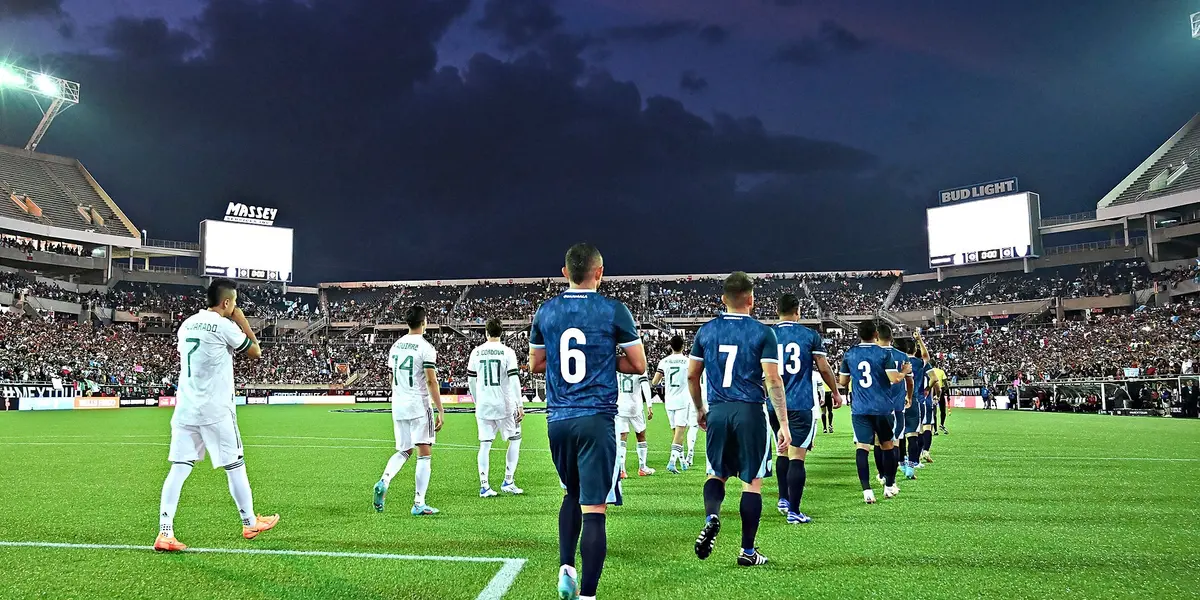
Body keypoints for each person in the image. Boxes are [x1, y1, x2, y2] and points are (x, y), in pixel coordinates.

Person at [529, 243, 646, 600]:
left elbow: (535, 364)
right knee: (595, 507)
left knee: (571, 493)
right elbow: (639, 365)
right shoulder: (613, 310)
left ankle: (566, 565)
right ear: (600, 272)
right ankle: (588, 595)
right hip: (596, 418)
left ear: (565, 273)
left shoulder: (545, 311)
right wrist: (602, 361)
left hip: (558, 418)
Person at [154, 279, 277, 552]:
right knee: (235, 465)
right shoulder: (225, 325)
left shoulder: (187, 324)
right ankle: (249, 522)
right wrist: (242, 319)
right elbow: (255, 352)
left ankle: (165, 532)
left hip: (186, 408)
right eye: (234, 303)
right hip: (216, 410)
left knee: (179, 468)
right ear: (227, 302)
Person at [689, 272, 790, 567]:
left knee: (715, 473)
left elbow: (692, 375)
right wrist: (782, 423)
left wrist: (699, 409)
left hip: (718, 410)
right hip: (749, 412)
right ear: (751, 299)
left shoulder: (705, 331)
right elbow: (772, 380)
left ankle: (711, 515)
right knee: (752, 482)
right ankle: (747, 551)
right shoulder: (763, 332)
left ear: (723, 299)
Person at [772, 293, 842, 524]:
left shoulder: (767, 335)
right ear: (798, 310)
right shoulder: (808, 335)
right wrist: (835, 391)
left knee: (781, 449)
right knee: (797, 456)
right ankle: (794, 511)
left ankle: (783, 498)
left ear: (777, 311)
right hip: (800, 403)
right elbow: (823, 368)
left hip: (773, 404)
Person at [373, 305, 445, 516]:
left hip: (399, 404)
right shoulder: (426, 347)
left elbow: (391, 377)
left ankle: (384, 479)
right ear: (424, 323)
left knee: (404, 450)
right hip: (418, 405)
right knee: (425, 453)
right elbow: (431, 381)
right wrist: (440, 410)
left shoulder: (396, 346)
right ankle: (418, 503)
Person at [839, 320, 908, 504]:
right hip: (882, 407)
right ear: (876, 334)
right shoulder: (883, 353)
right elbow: (894, 379)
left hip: (860, 409)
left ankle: (867, 491)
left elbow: (843, 382)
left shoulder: (850, 354)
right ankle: (888, 486)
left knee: (862, 447)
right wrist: (903, 372)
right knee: (887, 445)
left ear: (859, 334)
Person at [467, 318, 525, 498]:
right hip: (504, 404)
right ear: (502, 333)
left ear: (486, 332)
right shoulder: (507, 352)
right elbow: (514, 379)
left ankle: (484, 486)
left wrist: (478, 401)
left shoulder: (476, 352)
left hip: (484, 405)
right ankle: (508, 481)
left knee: (485, 444)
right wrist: (519, 404)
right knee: (515, 439)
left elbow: (471, 380)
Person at [875, 323, 911, 486]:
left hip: (877, 405)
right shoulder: (903, 356)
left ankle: (882, 474)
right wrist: (909, 397)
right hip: (897, 405)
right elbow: (909, 380)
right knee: (895, 441)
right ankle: (892, 479)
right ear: (891, 338)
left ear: (877, 337)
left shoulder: (872, 355)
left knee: (878, 441)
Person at [651, 335, 693, 473]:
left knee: (676, 433)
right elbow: (693, 378)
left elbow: (654, 382)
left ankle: (682, 461)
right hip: (683, 400)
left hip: (669, 400)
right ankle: (672, 462)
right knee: (680, 432)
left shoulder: (664, 362)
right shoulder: (688, 362)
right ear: (683, 346)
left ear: (670, 346)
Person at [616, 368, 655, 478]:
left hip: (620, 406)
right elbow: (645, 386)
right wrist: (649, 405)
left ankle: (622, 470)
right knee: (641, 435)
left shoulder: (618, 367)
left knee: (622, 436)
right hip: (635, 407)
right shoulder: (639, 367)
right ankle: (642, 468)